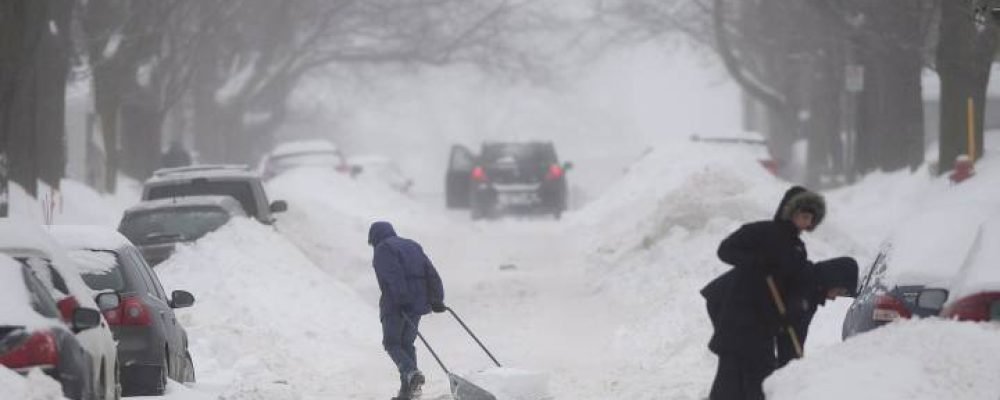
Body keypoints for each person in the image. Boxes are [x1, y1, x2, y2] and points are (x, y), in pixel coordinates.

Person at [701, 186, 826, 400]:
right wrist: (756, 262)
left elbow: (793, 284)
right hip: (739, 317)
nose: (807, 223)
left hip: (765, 324)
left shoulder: (797, 248)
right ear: (790, 212)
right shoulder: (761, 232)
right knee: (730, 379)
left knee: (760, 379)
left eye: (810, 219)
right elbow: (726, 249)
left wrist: (792, 307)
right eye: (803, 216)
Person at [368, 221, 446, 400]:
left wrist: (402, 299)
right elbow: (430, 272)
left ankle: (411, 374)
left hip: (397, 303)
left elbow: (392, 276)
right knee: (406, 344)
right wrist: (436, 299)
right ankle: (409, 391)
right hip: (418, 303)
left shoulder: (383, 249)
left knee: (392, 342)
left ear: (374, 238)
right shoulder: (412, 245)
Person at [775, 256, 858, 368]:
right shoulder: (804, 290)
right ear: (833, 280)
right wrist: (791, 367)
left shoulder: (812, 291)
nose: (834, 299)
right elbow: (790, 336)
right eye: (838, 292)